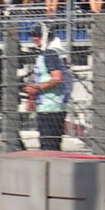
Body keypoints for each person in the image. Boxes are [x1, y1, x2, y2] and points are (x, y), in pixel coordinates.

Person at [23, 23, 67, 152]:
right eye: (32, 35)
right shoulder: (49, 53)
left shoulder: (50, 53)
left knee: (49, 146)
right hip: (49, 106)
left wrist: (37, 88)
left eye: (37, 35)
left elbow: (57, 78)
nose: (34, 38)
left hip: (51, 107)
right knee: (50, 145)